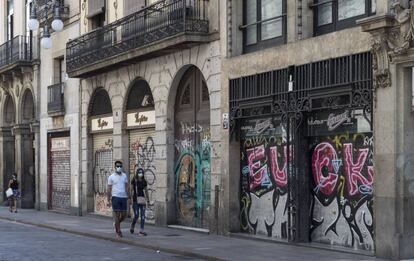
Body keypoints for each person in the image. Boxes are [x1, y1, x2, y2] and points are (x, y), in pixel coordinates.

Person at [107, 160, 129, 238]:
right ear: (115, 167)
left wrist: (128, 196)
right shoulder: (111, 177)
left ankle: (116, 223)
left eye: (120, 166)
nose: (119, 167)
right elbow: (109, 189)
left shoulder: (124, 176)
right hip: (115, 197)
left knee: (124, 215)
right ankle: (118, 231)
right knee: (117, 214)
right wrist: (108, 199)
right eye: (117, 166)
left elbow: (126, 186)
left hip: (123, 197)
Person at [130, 168, 150, 236]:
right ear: (137, 173)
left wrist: (148, 200)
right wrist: (130, 199)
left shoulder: (144, 181)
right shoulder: (134, 181)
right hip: (135, 200)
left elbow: (146, 190)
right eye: (139, 172)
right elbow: (131, 190)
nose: (140, 174)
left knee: (143, 216)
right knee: (136, 215)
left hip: (142, 200)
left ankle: (141, 230)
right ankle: (133, 225)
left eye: (141, 173)